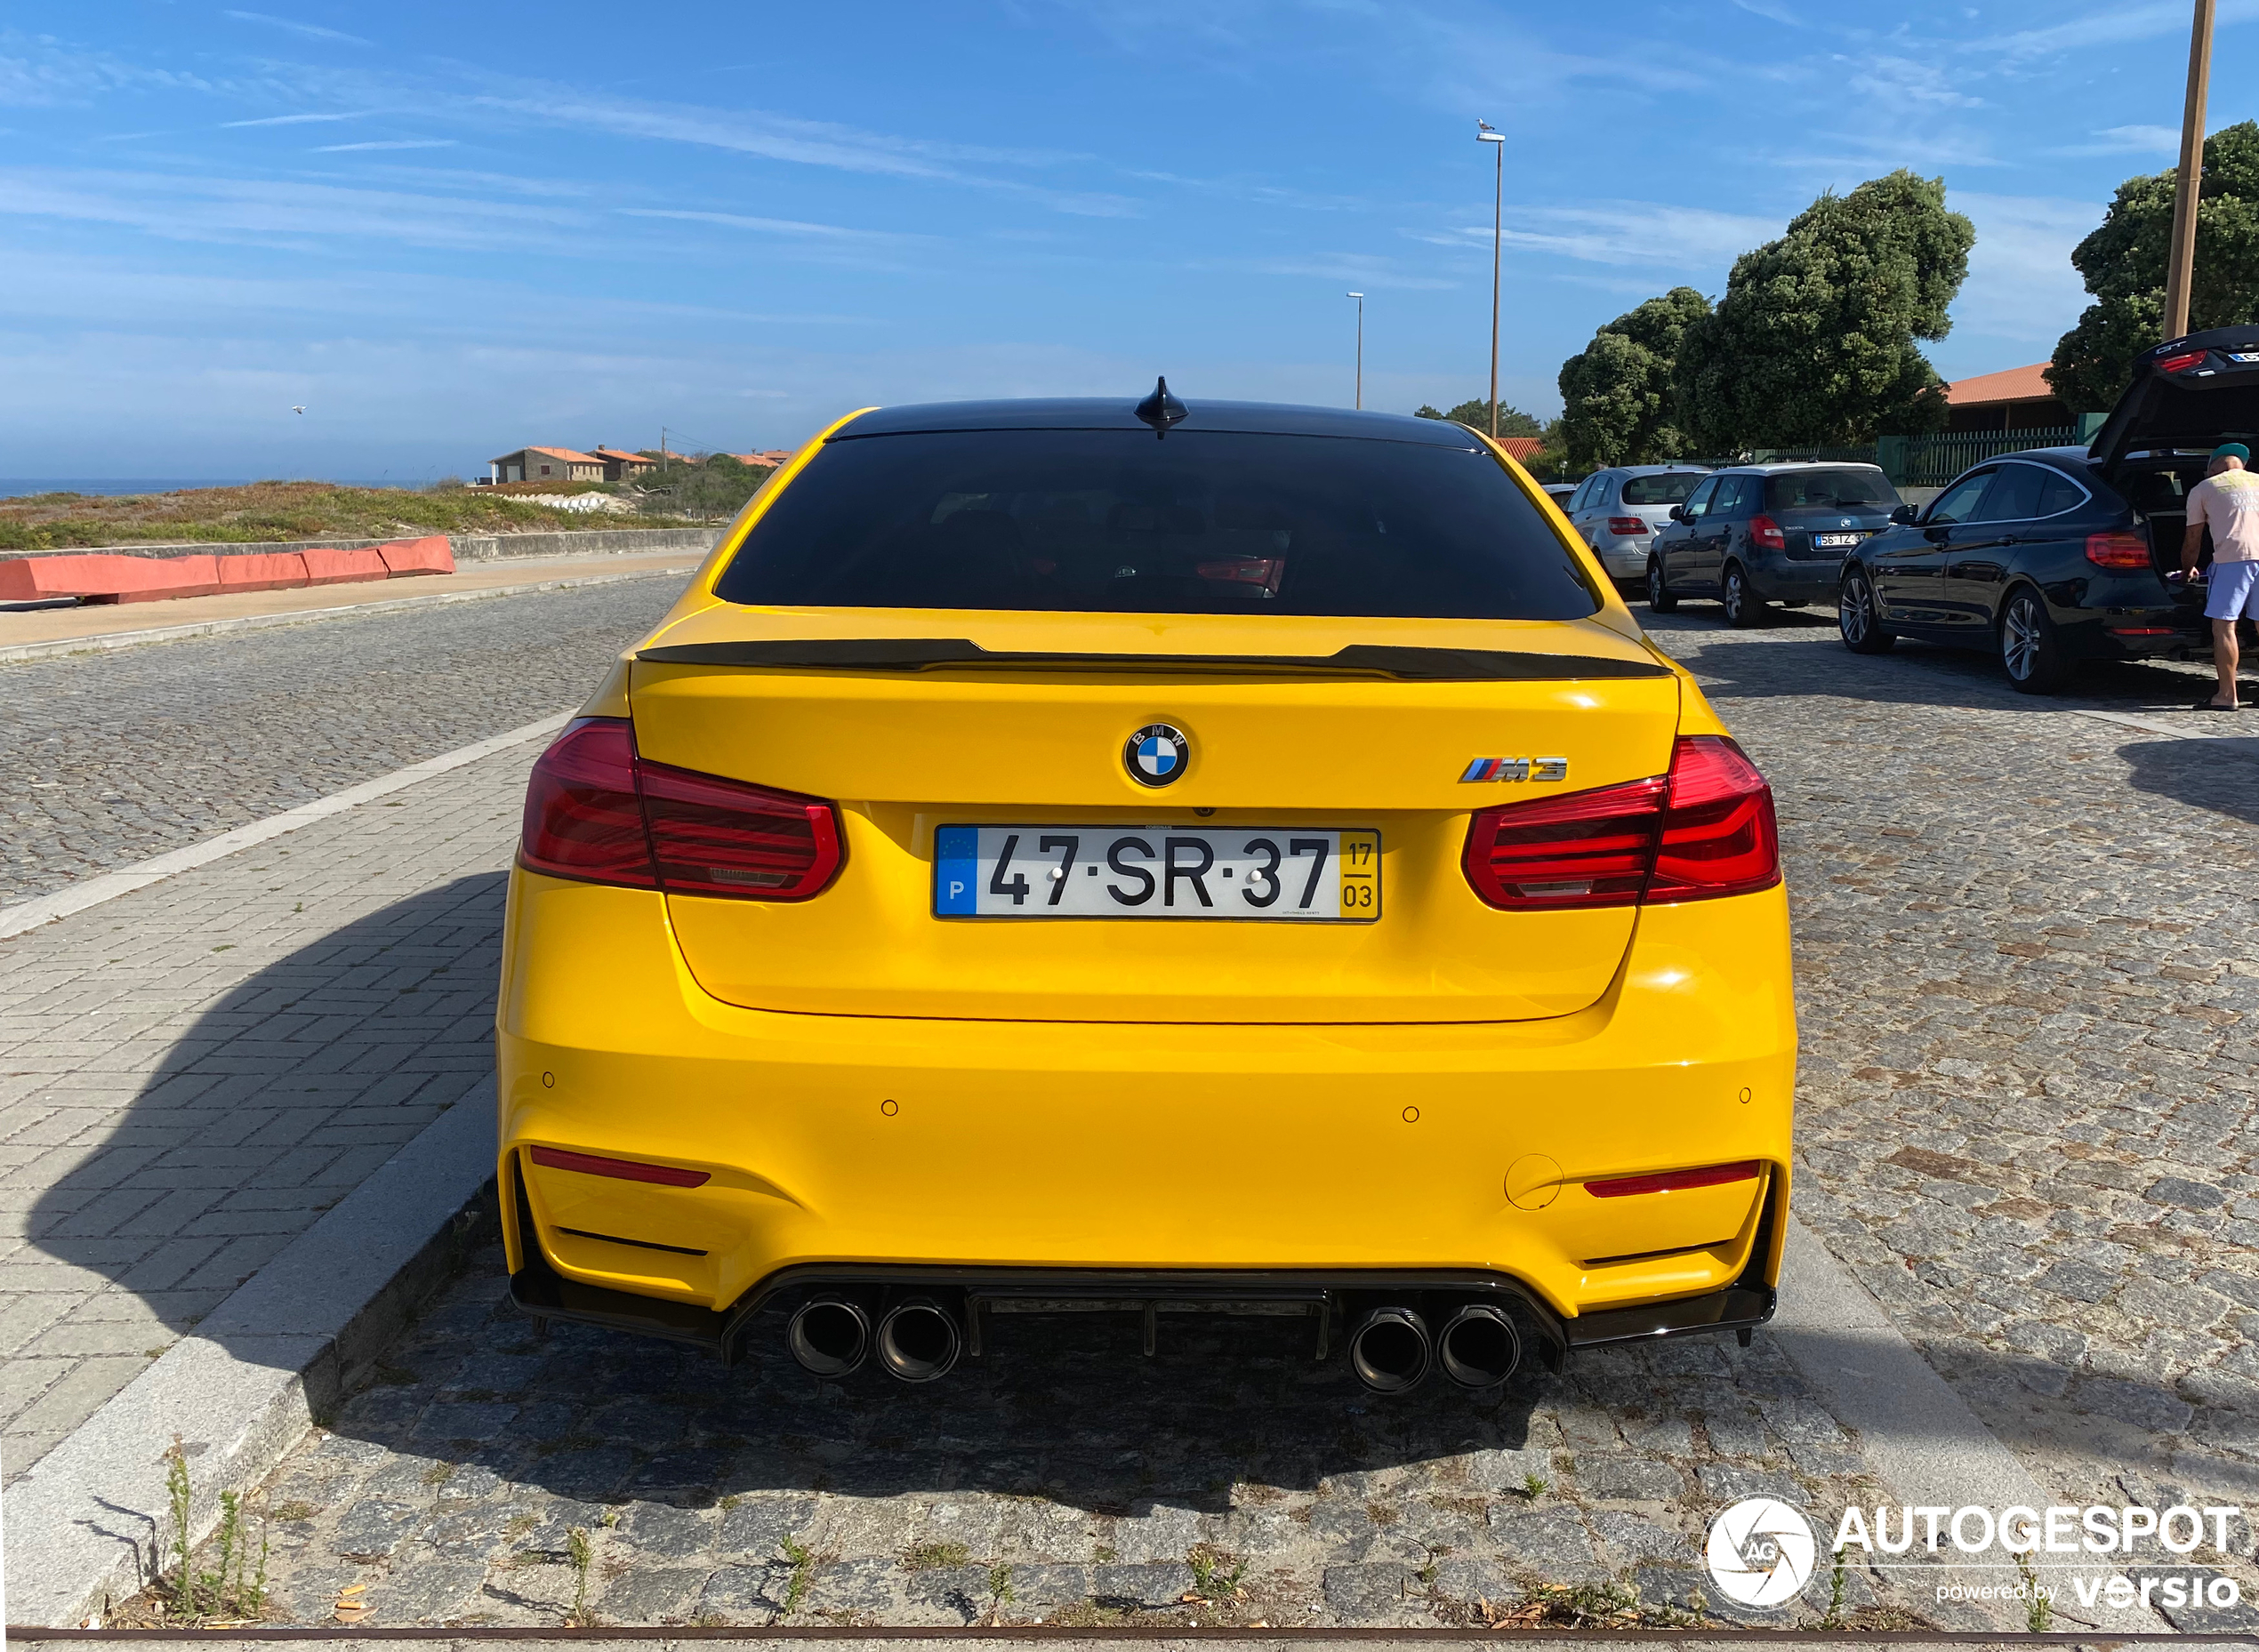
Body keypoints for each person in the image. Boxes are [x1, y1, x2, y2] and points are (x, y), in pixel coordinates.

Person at [2179, 442, 2259, 710]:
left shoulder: (2204, 489)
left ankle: (2227, 695)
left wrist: (2187, 568)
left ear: (2213, 466)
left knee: (2224, 625)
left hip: (2233, 560)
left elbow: (2193, 539)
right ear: (2242, 464)